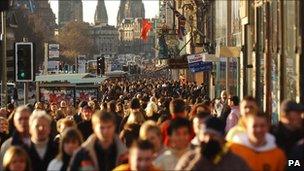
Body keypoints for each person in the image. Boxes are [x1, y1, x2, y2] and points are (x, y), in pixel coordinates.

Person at [175, 117, 250, 171]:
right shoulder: (189, 158)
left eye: (213, 136)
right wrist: (200, 158)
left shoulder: (236, 162)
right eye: (205, 135)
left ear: (222, 139)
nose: (208, 139)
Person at [0, 106, 31, 170]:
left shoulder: (41, 143)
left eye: (26, 118)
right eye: (20, 119)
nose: (23, 122)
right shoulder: (7, 145)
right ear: (14, 122)